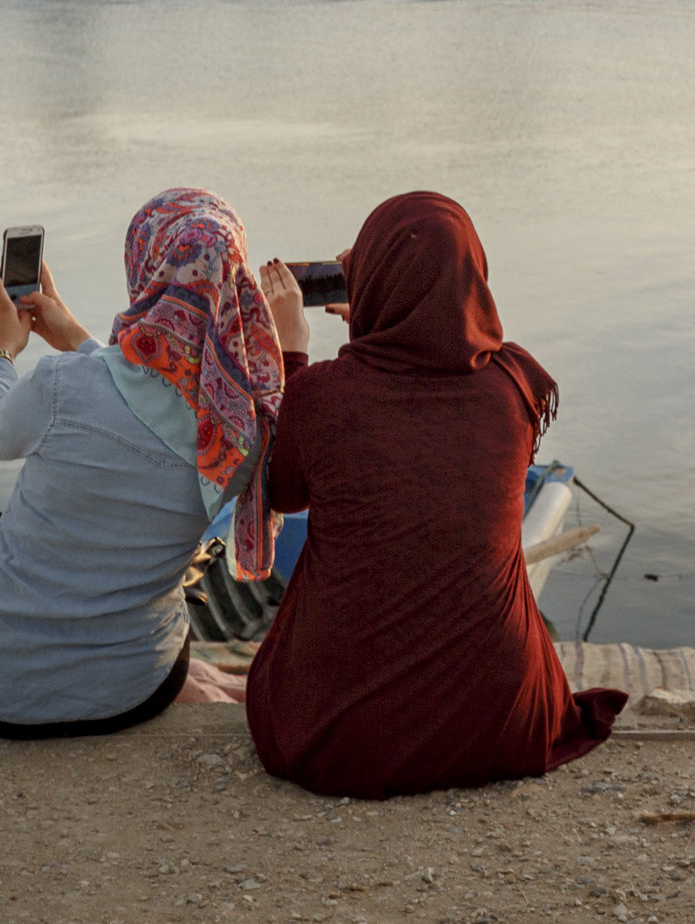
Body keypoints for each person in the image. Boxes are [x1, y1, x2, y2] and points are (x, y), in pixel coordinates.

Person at [246, 191, 623, 797]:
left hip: (340, 737)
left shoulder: (323, 397)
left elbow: (283, 493)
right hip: (506, 722)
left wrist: (292, 353)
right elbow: (445, 452)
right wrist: (393, 324)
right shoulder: (515, 387)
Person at [0, 187, 305, 738]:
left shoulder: (58, 387)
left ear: (147, 274)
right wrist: (77, 338)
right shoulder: (241, 435)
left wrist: (0, 351)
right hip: (131, 691)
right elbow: (156, 394)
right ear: (235, 287)